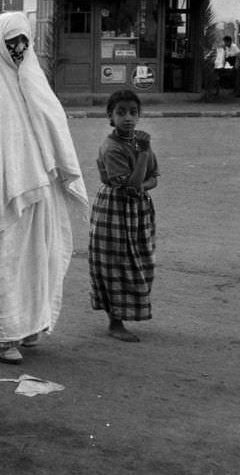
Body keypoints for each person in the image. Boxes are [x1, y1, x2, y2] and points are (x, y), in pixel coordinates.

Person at [0, 11, 88, 365]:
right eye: (12, 43)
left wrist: (64, 173)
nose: (19, 49)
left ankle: (23, 328)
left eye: (24, 41)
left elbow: (56, 131)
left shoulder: (34, 81)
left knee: (33, 266)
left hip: (37, 194)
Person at [89, 90, 159, 342]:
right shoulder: (112, 147)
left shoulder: (141, 144)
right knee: (114, 264)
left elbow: (152, 179)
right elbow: (129, 186)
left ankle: (126, 313)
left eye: (133, 112)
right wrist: (141, 156)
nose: (128, 118)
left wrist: (141, 183)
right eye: (121, 112)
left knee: (140, 260)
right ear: (110, 116)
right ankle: (114, 322)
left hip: (138, 211)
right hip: (114, 210)